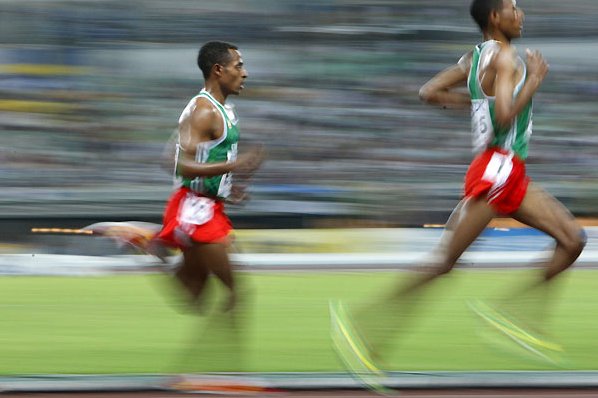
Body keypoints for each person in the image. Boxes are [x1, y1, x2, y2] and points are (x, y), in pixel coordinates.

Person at [330, 0, 587, 381]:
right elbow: (503, 115)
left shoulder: (474, 57)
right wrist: (532, 80)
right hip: (498, 169)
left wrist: (473, 101)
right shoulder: (505, 57)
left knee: (573, 238)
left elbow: (429, 91)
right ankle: (361, 326)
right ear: (495, 18)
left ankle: (513, 316)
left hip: (505, 169)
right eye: (514, 8)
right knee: (443, 261)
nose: (521, 14)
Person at [154, 40, 264, 313]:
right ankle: (150, 243)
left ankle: (151, 245)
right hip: (194, 207)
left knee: (195, 299)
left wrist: (227, 187)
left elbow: (206, 158)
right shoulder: (204, 111)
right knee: (235, 294)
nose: (245, 73)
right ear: (218, 70)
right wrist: (233, 166)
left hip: (211, 204)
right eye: (238, 66)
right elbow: (182, 165)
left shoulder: (224, 110)